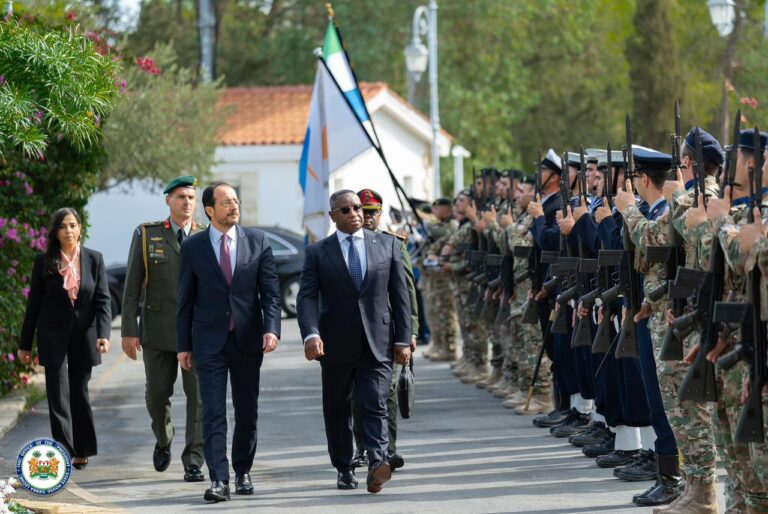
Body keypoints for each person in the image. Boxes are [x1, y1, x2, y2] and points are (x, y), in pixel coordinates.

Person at [296, 190, 411, 494]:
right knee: (337, 408)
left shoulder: (388, 245)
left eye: (358, 208)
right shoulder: (318, 252)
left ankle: (377, 462)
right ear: (333, 216)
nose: (354, 214)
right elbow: (306, 296)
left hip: (379, 341)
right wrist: (311, 333)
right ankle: (344, 467)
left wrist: (403, 339)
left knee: (373, 402)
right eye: (345, 210)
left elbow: (401, 297)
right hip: (335, 343)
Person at [176, 181, 281, 503]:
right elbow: (185, 300)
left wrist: (271, 328)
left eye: (235, 201)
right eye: (226, 202)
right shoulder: (193, 247)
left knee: (247, 410)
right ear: (209, 210)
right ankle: (218, 479)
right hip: (208, 342)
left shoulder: (258, 241)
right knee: (213, 413)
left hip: (248, 341)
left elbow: (271, 293)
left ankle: (242, 471)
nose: (234, 206)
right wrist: (183, 345)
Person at [121, 175, 206, 482]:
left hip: (197, 333)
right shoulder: (148, 235)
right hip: (157, 331)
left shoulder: (206, 236)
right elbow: (132, 286)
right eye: (181, 197)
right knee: (157, 395)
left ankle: (194, 460)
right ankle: (163, 437)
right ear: (168, 200)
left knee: (199, 399)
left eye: (191, 198)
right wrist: (128, 330)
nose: (187, 202)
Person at [18, 207, 111, 470]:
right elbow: (34, 304)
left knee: (78, 392)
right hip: (52, 335)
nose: (68, 231)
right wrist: (25, 344)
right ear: (55, 232)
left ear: (80, 228)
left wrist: (103, 334)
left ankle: (81, 449)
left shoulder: (94, 259)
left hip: (84, 334)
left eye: (72, 225)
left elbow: (103, 301)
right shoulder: (44, 260)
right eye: (63, 226)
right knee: (57, 396)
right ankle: (63, 452)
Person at [350, 189, 419, 472]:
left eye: (371, 213)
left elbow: (407, 291)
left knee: (385, 392)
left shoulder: (393, 244)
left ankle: (387, 450)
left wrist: (409, 331)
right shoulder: (345, 245)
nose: (365, 218)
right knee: (357, 392)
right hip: (353, 331)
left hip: (386, 331)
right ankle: (363, 449)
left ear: (379, 215)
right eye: (360, 212)